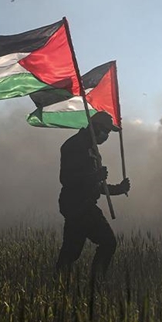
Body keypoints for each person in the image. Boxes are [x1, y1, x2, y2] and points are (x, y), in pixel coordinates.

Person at [55, 111, 130, 280]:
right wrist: (94, 177)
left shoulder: (93, 149)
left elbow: (97, 185)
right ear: (95, 127)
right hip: (77, 205)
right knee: (108, 242)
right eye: (106, 130)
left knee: (71, 252)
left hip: (85, 205)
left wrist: (118, 189)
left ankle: (60, 283)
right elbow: (66, 179)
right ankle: (96, 284)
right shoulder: (74, 146)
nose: (107, 135)